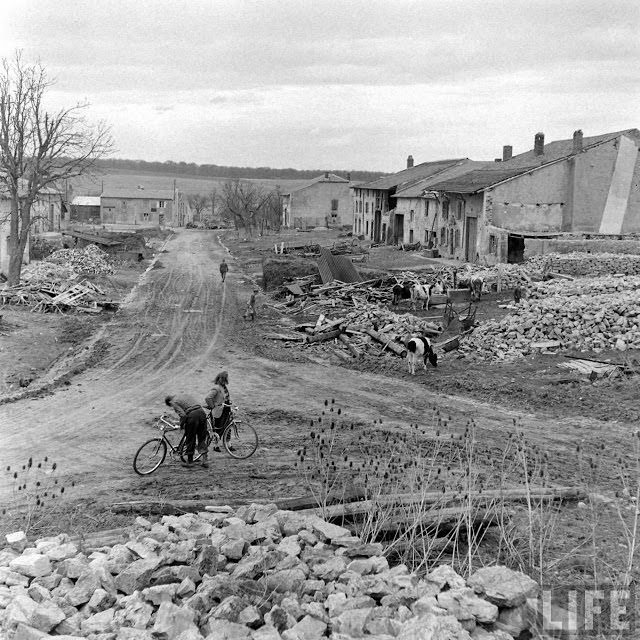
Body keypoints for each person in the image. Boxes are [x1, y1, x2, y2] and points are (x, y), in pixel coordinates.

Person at [165, 394, 209, 468]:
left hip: (192, 416)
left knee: (190, 438)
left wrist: (181, 425)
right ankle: (205, 460)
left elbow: (183, 415)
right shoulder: (183, 396)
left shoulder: (173, 402)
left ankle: (190, 461)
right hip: (201, 413)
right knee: (201, 437)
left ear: (169, 403)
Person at [204, 371, 231, 452]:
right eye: (227, 377)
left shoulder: (224, 387)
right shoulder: (216, 388)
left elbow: (226, 398)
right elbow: (208, 398)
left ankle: (229, 444)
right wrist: (212, 406)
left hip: (226, 409)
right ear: (224, 378)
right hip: (219, 411)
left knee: (228, 426)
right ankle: (216, 446)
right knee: (218, 428)